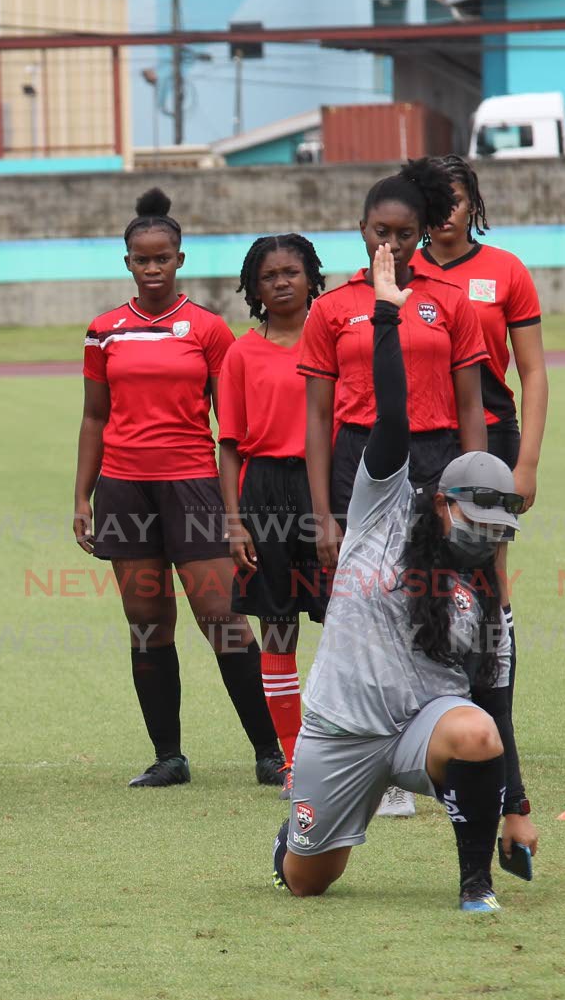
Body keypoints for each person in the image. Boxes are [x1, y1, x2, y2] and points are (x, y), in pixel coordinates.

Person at [272, 244, 539, 912]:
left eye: (496, 525)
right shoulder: (383, 511)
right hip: (343, 728)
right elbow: (393, 420)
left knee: (477, 731)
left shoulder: (482, 589)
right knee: (309, 881)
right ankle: (296, 837)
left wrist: (516, 808)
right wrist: (388, 318)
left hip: (426, 727)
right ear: (444, 501)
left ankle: (474, 887)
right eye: (474, 516)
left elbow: (494, 704)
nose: (484, 533)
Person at [298, 158, 490, 817]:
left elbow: (472, 407)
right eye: (380, 231)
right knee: (364, 602)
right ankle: (365, 743)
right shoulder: (331, 309)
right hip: (364, 463)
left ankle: (435, 736)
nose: (392, 245)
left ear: (422, 232)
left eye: (404, 233)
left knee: (438, 602)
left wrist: (478, 496)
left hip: (438, 459)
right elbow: (319, 417)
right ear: (360, 229)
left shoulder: (452, 303)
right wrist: (323, 513)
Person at [73, 189, 284, 789]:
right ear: (128, 264)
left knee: (221, 617)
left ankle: (270, 752)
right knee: (146, 621)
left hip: (193, 487)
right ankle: (169, 756)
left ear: (180, 259)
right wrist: (81, 498)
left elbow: (230, 427)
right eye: (142, 259)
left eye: (163, 257)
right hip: (124, 491)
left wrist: (237, 505)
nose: (153, 267)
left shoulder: (209, 330)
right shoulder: (103, 332)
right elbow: (94, 418)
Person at [414, 156, 548, 805]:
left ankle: (495, 720)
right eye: (433, 201)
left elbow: (534, 371)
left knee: (486, 583)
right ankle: (425, 725)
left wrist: (526, 464)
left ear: (474, 204)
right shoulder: (400, 276)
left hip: (490, 443)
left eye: (456, 199)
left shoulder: (505, 272)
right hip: (422, 439)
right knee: (417, 578)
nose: (445, 212)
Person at [218, 234, 328, 799]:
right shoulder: (241, 354)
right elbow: (230, 445)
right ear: (254, 288)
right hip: (265, 493)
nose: (282, 281)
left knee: (345, 628)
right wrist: (235, 522)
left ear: (313, 276)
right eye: (269, 275)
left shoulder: (333, 339)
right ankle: (292, 763)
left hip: (326, 487)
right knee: (277, 628)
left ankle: (351, 758)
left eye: (292, 271)